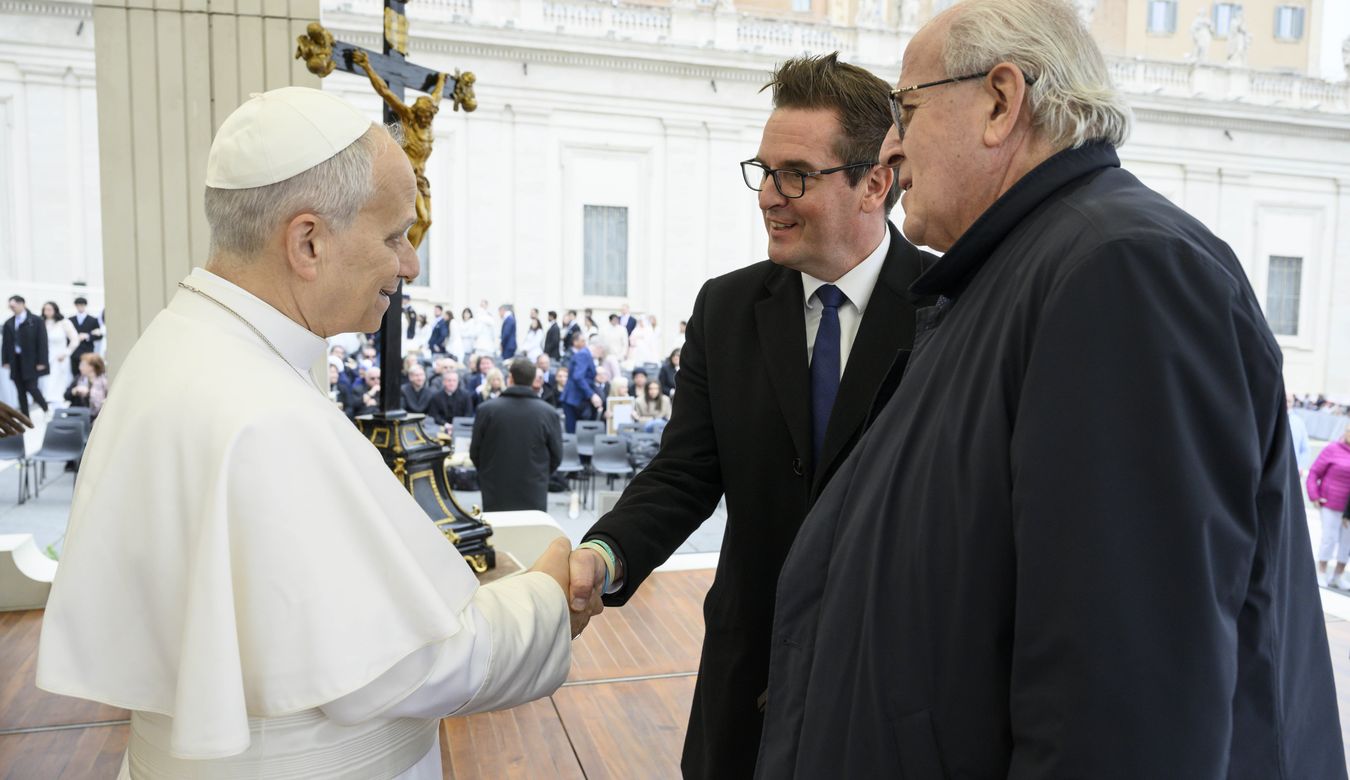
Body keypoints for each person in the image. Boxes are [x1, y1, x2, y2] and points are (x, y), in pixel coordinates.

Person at [754, 3, 1343, 777]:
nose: (892, 144)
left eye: (908, 108)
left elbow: (1124, 708)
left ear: (1001, 102)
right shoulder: (1020, 274)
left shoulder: (1121, 272)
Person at [38, 87, 600, 779]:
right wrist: (545, 599)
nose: (410, 264)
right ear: (308, 241)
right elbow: (406, 666)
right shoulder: (262, 411)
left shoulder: (179, 345)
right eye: (395, 235)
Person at [567, 53, 930, 778]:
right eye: (763, 171)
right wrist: (602, 555)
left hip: (889, 691)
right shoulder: (726, 308)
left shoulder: (949, 309)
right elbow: (685, 473)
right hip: (748, 686)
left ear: (875, 183)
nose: (768, 195)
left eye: (796, 174)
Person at [470, 360, 563, 512]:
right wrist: (539, 474)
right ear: (533, 379)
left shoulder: (486, 410)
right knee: (531, 534)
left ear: (510, 378)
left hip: (495, 485)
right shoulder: (548, 413)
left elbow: (475, 451)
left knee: (499, 532)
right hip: (533, 487)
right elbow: (557, 455)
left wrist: (488, 473)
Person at [1308, 425, 1350, 588]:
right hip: (1330, 502)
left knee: (1347, 542)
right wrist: (1314, 495)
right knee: (1329, 538)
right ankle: (1321, 571)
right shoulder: (1332, 449)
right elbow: (1314, 472)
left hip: (1349, 507)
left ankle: (1338, 575)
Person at [2, 295, 50, 418]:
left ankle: (45, 409)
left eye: (14, 306)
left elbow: (42, 342)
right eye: (10, 306)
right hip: (15, 360)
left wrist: (42, 361)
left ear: (22, 304)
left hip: (31, 361)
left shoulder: (36, 320)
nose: (12, 308)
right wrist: (5, 360)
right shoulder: (9, 323)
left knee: (32, 387)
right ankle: (25, 417)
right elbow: (6, 344)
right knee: (20, 390)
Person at [560, 333, 604, 433]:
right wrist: (592, 395)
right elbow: (578, 377)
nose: (602, 354)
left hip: (577, 399)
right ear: (599, 347)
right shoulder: (584, 355)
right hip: (573, 399)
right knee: (572, 433)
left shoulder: (586, 355)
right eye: (602, 351)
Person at [41, 301, 77, 403]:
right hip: (45, 357)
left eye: (49, 309)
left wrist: (66, 353)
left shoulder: (64, 323)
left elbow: (75, 340)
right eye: (45, 310)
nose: (46, 312)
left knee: (58, 382)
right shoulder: (41, 323)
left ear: (55, 310)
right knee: (46, 382)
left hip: (60, 356)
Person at [64, 353, 110, 419]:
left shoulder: (103, 382)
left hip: (95, 418)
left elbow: (102, 402)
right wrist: (74, 391)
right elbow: (66, 396)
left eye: (83, 365)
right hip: (76, 416)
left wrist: (88, 393)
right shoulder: (78, 379)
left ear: (92, 367)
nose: (80, 367)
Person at [69, 296, 102, 376]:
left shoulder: (93, 320)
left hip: (87, 350)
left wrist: (87, 336)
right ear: (76, 306)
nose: (80, 307)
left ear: (85, 306)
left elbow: (99, 335)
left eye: (82, 305)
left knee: (88, 371)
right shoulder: (70, 320)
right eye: (78, 305)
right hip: (75, 351)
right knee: (75, 373)